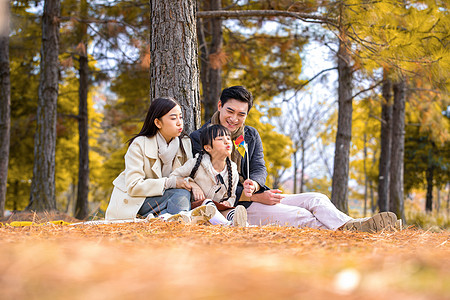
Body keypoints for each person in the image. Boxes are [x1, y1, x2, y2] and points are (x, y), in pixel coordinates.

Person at [190, 86, 398, 232]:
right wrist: (251, 197)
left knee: (317, 198)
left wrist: (255, 184)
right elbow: (209, 181)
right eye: (230, 111)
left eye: (241, 114)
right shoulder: (200, 138)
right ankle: (358, 230)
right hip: (234, 208)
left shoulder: (250, 135)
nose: (234, 119)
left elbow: (259, 166)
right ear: (219, 105)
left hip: (259, 196)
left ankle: (357, 226)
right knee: (302, 216)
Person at [105, 97, 210, 222]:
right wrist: (169, 183)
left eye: (180, 117)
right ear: (158, 123)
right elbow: (133, 186)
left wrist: (192, 183)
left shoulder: (184, 143)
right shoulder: (139, 144)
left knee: (182, 197)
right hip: (137, 202)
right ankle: (180, 225)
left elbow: (187, 173)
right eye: (173, 118)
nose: (179, 122)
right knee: (181, 194)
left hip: (164, 201)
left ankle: (167, 220)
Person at [168, 124, 250, 227]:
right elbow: (173, 176)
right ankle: (226, 225)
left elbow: (232, 195)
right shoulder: (196, 164)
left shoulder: (232, 170)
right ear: (208, 148)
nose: (227, 141)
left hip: (217, 209)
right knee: (208, 204)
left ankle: (242, 224)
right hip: (195, 208)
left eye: (228, 138)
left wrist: (228, 203)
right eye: (220, 139)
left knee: (229, 211)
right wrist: (193, 185)